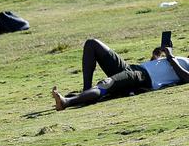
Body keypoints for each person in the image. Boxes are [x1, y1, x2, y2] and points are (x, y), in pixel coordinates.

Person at [51, 39, 189, 111]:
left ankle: (66, 102)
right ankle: (86, 93)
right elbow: (160, 66)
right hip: (132, 68)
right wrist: (159, 53)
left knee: (106, 84)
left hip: (141, 77)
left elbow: (186, 78)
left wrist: (171, 57)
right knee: (92, 44)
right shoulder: (184, 59)